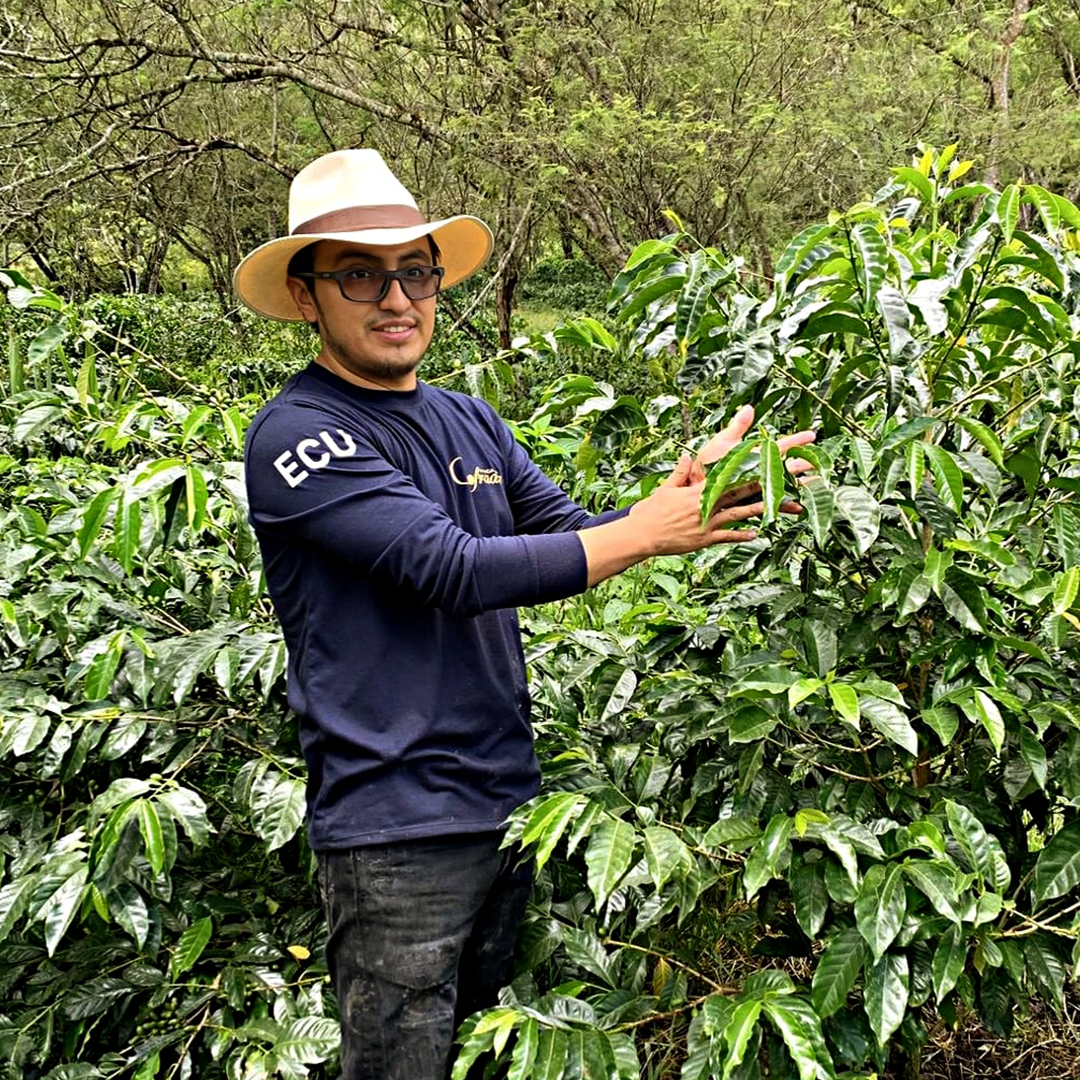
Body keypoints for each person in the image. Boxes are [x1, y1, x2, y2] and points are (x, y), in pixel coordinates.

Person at [234, 149, 813, 1080]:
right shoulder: (300, 436)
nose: (396, 299)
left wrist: (678, 503)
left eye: (415, 271)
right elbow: (452, 569)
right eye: (359, 276)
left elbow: (572, 532)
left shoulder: (472, 421)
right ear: (306, 296)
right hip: (396, 830)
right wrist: (646, 534)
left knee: (483, 1057)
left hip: (506, 806)